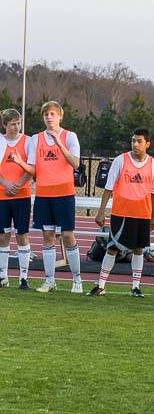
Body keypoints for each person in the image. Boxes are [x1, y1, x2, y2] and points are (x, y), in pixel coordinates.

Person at [90, 129, 154, 298]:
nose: (135, 144)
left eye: (139, 141)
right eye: (133, 141)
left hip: (142, 214)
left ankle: (135, 287)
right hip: (121, 213)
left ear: (147, 144)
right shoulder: (121, 160)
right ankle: (101, 285)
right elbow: (109, 188)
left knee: (138, 249)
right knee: (112, 248)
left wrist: (152, 216)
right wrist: (101, 212)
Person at [29, 101, 84, 293]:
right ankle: (49, 280)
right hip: (44, 194)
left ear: (60, 116)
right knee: (47, 236)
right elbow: (32, 167)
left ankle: (77, 280)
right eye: (46, 114)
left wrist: (59, 142)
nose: (49, 117)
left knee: (68, 236)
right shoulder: (36, 139)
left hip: (64, 193)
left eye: (52, 114)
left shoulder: (70, 136)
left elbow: (75, 163)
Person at [0, 109, 35, 291]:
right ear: (5, 125)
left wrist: (18, 185)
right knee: (3, 235)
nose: (16, 127)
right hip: (2, 196)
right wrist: (6, 185)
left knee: (22, 234)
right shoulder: (0, 142)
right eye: (12, 123)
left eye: (18, 123)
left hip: (21, 195)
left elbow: (32, 169)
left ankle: (23, 278)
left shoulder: (28, 141)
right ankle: (3, 276)